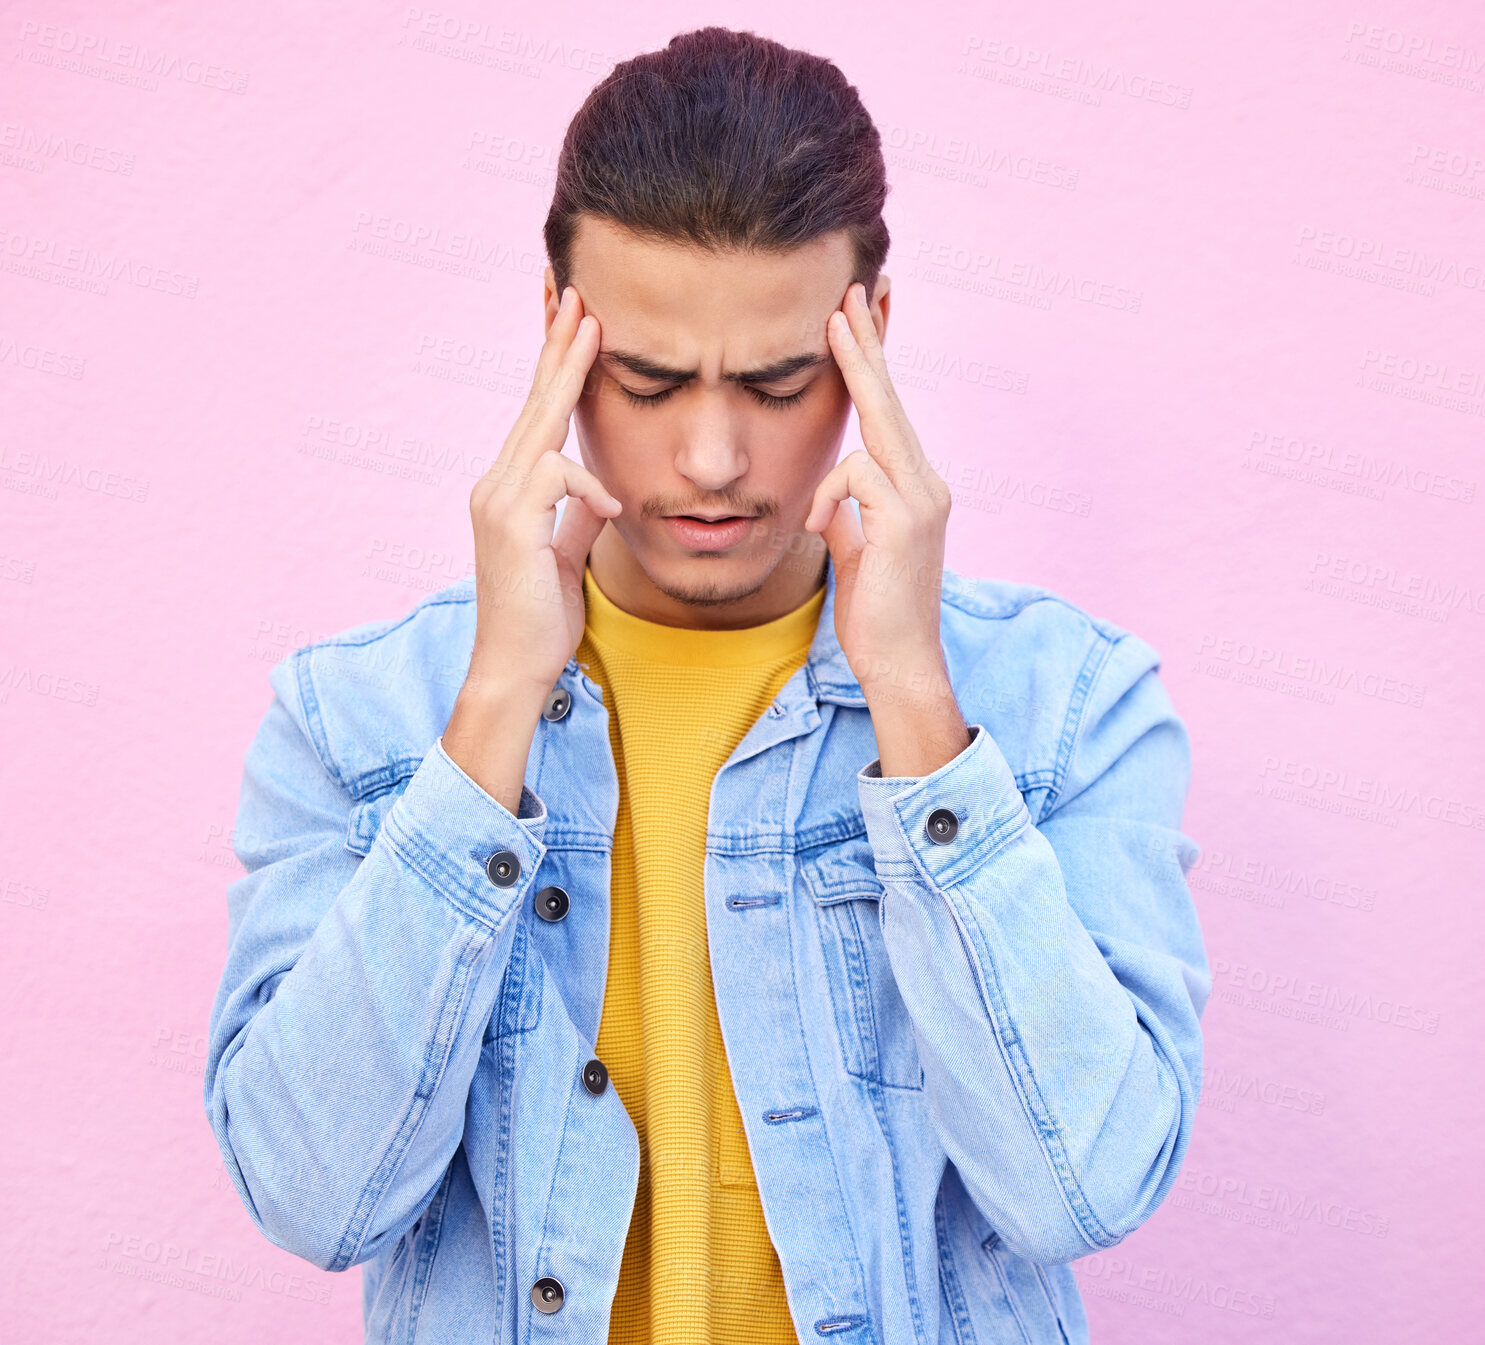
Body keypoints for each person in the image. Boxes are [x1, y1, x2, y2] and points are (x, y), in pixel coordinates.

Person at [204, 25, 1210, 1345]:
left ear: (870, 340)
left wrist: (909, 690)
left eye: (779, 380)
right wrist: (498, 700)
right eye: (648, 377)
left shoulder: (1065, 706)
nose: (715, 455)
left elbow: (1079, 1184)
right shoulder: (362, 720)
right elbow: (309, 1197)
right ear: (559, 334)